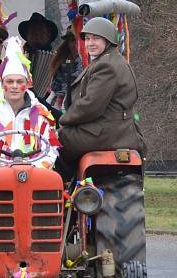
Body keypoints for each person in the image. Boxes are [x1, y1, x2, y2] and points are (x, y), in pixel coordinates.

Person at [57, 17, 146, 180]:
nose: (90, 43)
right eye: (88, 38)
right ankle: (73, 183)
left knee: (55, 142)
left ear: (108, 40)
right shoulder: (111, 60)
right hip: (113, 128)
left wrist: (62, 120)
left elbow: (91, 106)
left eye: (96, 38)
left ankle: (60, 188)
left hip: (107, 131)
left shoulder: (106, 65)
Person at [0, 37, 60, 170]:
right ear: (2, 84)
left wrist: (38, 167)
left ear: (27, 84)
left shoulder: (41, 113)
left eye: (19, 82)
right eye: (9, 82)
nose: (14, 86)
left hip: (34, 174)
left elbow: (51, 147)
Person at [18, 12, 58, 100]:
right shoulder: (18, 58)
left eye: (40, 30)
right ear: (27, 35)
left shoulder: (58, 60)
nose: (36, 34)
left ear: (48, 35)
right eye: (33, 31)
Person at [49, 27, 83, 110]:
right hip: (63, 106)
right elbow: (57, 87)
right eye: (72, 40)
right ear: (67, 43)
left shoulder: (91, 63)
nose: (75, 44)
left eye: (78, 40)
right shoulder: (61, 62)